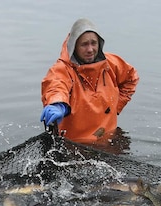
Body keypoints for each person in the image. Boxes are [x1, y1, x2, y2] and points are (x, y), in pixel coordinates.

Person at [41, 18, 139, 146]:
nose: (90, 49)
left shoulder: (112, 64)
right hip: (74, 146)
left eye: (94, 43)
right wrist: (58, 104)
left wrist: (115, 107)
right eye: (84, 44)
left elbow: (131, 78)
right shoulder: (62, 70)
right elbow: (56, 86)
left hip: (109, 138)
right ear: (74, 46)